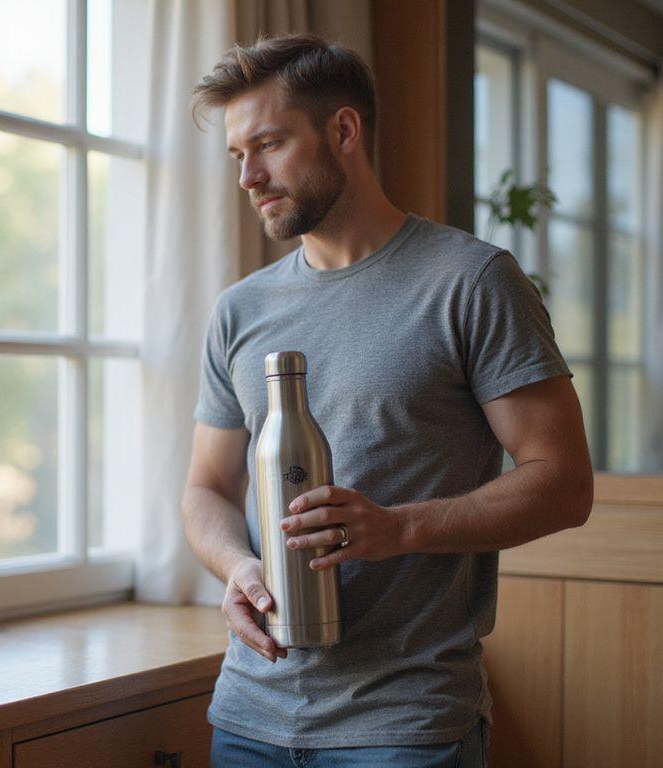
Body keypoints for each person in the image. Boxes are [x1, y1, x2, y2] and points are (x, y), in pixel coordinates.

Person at [182, 34, 593, 766]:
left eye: (268, 145)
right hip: (248, 716)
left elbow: (563, 484)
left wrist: (397, 528)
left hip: (406, 729)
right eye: (237, 155)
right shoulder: (238, 311)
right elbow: (207, 488)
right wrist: (240, 567)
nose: (248, 176)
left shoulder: (471, 282)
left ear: (343, 131)